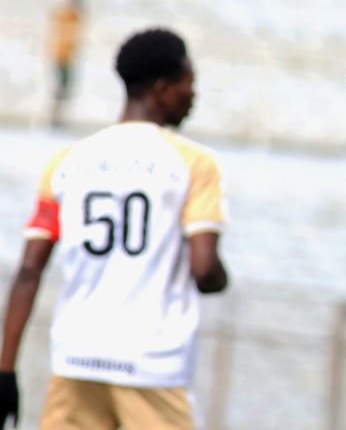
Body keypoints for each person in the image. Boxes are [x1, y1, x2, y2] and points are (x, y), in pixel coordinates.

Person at [0, 28, 229, 430]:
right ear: (162, 89)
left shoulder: (67, 162)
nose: (193, 96)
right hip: (152, 366)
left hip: (76, 360)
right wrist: (220, 278)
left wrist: (5, 370)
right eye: (187, 84)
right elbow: (203, 269)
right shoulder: (193, 163)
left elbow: (30, 270)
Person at [48, 0, 85, 127]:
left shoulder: (72, 15)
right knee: (60, 88)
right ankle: (55, 117)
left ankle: (58, 116)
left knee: (64, 88)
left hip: (67, 57)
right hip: (61, 57)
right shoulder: (66, 14)